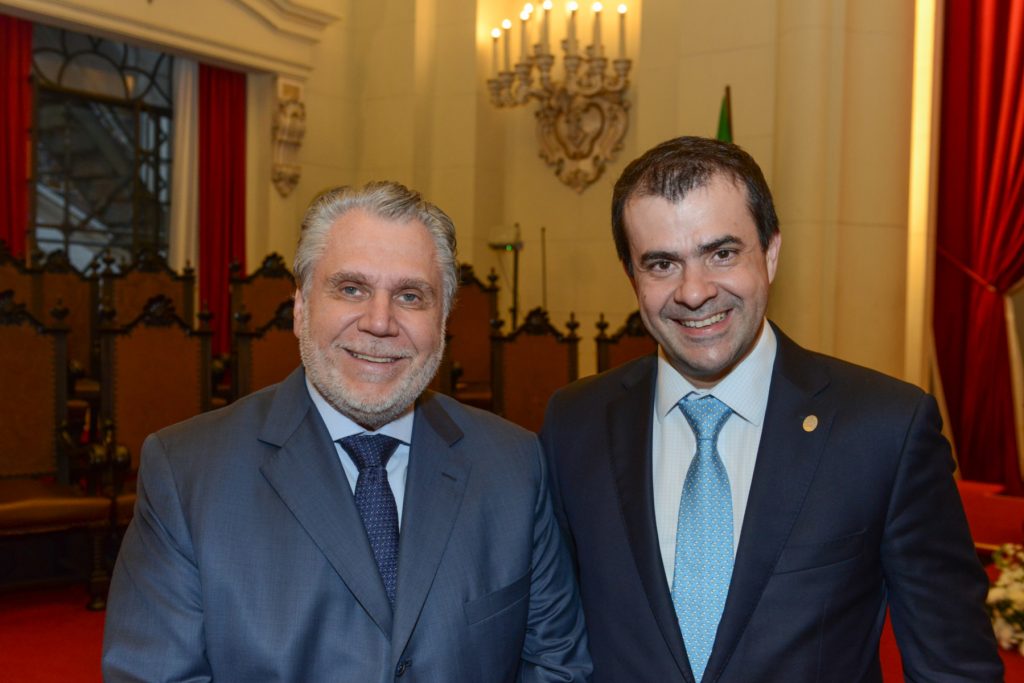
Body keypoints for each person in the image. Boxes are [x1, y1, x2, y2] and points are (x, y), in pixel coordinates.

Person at [540, 136, 1002, 682]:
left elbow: (954, 667)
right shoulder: (575, 424)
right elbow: (551, 645)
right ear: (632, 276)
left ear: (771, 252)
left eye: (721, 253)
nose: (694, 292)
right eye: (662, 264)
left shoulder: (884, 429)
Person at [102, 181, 591, 682]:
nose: (380, 322)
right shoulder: (186, 473)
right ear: (300, 308)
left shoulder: (513, 464)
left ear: (443, 321)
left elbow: (556, 665)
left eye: (410, 296)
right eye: (351, 289)